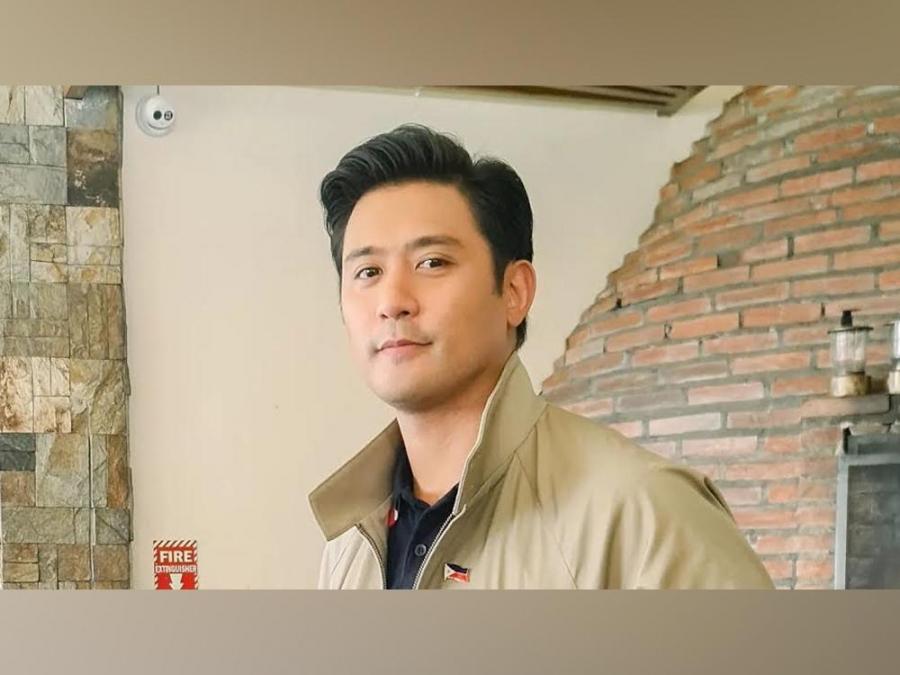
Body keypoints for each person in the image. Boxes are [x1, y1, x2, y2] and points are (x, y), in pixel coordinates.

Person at [307, 124, 774, 590]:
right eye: (367, 271)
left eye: (432, 262)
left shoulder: (642, 514)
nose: (392, 301)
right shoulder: (351, 541)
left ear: (514, 291)